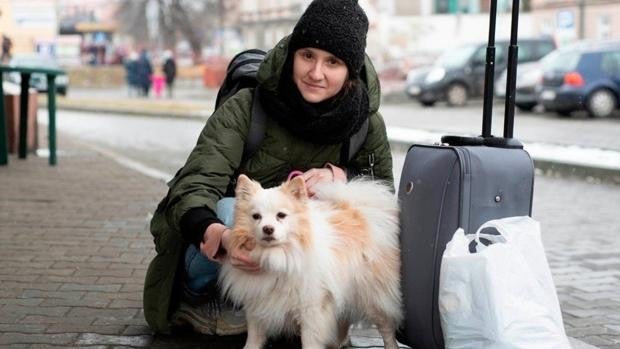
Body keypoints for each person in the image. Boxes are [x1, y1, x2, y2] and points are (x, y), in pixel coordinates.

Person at [143, 0, 393, 342]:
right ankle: (204, 297)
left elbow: (383, 203)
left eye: (332, 62)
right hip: (220, 243)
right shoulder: (247, 107)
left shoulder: (366, 125)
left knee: (335, 220)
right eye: (307, 55)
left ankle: (304, 309)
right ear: (292, 54)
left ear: (350, 71)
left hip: (304, 264)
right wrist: (219, 235)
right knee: (234, 212)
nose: (316, 73)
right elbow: (195, 183)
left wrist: (341, 181)